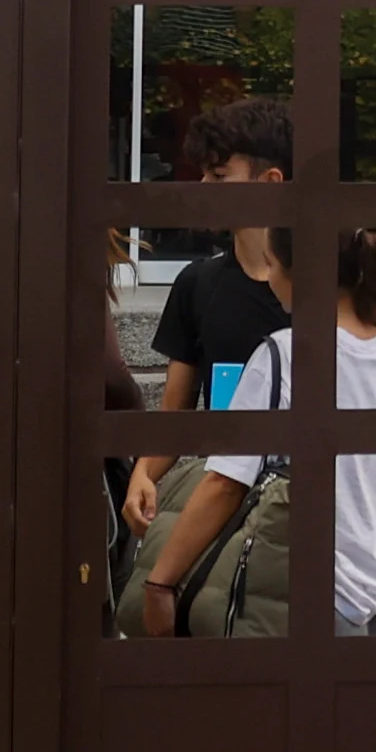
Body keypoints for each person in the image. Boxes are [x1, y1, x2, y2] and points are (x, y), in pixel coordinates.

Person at [135, 224, 376, 636]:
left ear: (297, 274)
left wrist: (159, 582)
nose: (268, 278)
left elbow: (224, 485)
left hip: (306, 599)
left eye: (271, 264)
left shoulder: (283, 354)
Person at [123, 98, 299, 533]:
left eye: (219, 176)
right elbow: (176, 415)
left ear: (271, 181)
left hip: (307, 506)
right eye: (203, 173)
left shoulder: (330, 289)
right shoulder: (197, 284)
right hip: (223, 503)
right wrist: (143, 475)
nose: (203, 186)